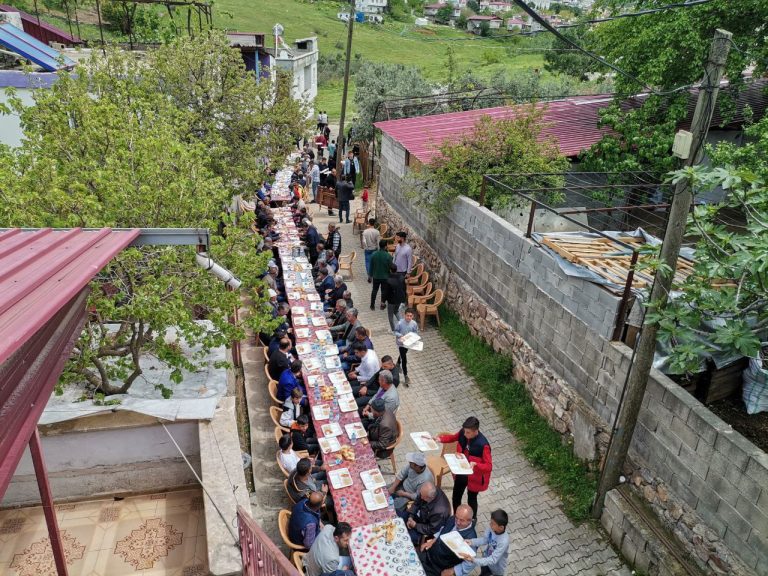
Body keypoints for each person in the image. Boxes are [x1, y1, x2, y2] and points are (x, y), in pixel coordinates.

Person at [436, 417, 492, 519]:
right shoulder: (463, 432)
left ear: (476, 431)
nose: (465, 434)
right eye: (464, 431)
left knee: (472, 500)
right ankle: (456, 517)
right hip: (462, 471)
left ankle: (472, 520)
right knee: (456, 496)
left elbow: (488, 466)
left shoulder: (483, 445)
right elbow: (453, 437)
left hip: (474, 477)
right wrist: (440, 439)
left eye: (468, 432)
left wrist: (476, 465)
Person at [419, 505, 477, 576]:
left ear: (469, 521)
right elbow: (443, 529)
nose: (457, 522)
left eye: (461, 520)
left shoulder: (471, 539)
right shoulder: (453, 518)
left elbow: (471, 562)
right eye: (456, 518)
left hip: (439, 568)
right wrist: (432, 541)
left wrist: (453, 570)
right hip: (430, 554)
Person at [454, 510, 510, 576]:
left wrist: (474, 560)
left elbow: (493, 559)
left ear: (501, 527)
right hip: (485, 560)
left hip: (496, 568)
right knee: (483, 573)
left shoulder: (503, 541)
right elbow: (485, 540)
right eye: (490, 522)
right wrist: (471, 542)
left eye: (493, 524)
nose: (490, 525)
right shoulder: (492, 528)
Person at [394, 308, 419, 385]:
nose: (409, 317)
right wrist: (400, 335)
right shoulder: (400, 323)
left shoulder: (414, 323)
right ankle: (406, 376)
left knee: (403, 354)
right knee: (404, 359)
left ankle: (398, 363)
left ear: (413, 316)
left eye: (410, 316)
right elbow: (395, 331)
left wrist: (414, 337)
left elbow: (416, 332)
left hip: (408, 343)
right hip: (401, 343)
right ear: (404, 315)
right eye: (407, 315)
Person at [370, 239, 393, 310]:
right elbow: (391, 266)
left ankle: (372, 305)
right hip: (385, 277)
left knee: (374, 290)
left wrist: (370, 276)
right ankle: (382, 304)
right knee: (384, 291)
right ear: (385, 246)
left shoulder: (374, 254)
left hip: (376, 276)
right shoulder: (388, 256)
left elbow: (371, 266)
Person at [383, 264, 407, 333]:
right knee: (396, 311)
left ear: (390, 270)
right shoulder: (401, 277)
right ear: (396, 270)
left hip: (391, 300)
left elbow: (385, 292)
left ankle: (393, 330)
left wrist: (383, 301)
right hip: (399, 298)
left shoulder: (388, 280)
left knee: (390, 316)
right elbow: (404, 288)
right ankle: (403, 325)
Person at [362, 219, 380, 283]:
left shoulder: (365, 231)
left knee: (368, 262)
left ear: (369, 223)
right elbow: (378, 242)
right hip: (374, 249)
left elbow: (364, 241)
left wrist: (365, 247)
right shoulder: (377, 232)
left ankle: (369, 274)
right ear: (374, 224)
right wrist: (379, 249)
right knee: (374, 262)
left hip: (367, 249)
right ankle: (374, 274)